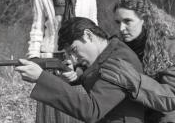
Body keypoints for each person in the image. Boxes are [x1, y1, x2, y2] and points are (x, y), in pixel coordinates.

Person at [16, 17, 146, 123]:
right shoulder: (112, 53)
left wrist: (41, 77)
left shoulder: (119, 61)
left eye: (74, 50)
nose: (74, 59)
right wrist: (75, 78)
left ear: (88, 35)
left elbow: (92, 110)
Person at [27, 0, 97, 123]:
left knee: (75, 107)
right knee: (50, 112)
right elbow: (37, 29)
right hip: (50, 57)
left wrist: (89, 62)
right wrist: (34, 57)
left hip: (77, 59)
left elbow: (94, 29)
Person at [104, 0, 175, 123]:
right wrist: (77, 71)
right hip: (134, 113)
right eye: (118, 22)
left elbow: (171, 98)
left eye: (127, 21)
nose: (121, 28)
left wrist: (134, 81)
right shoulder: (116, 45)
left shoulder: (170, 48)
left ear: (145, 20)